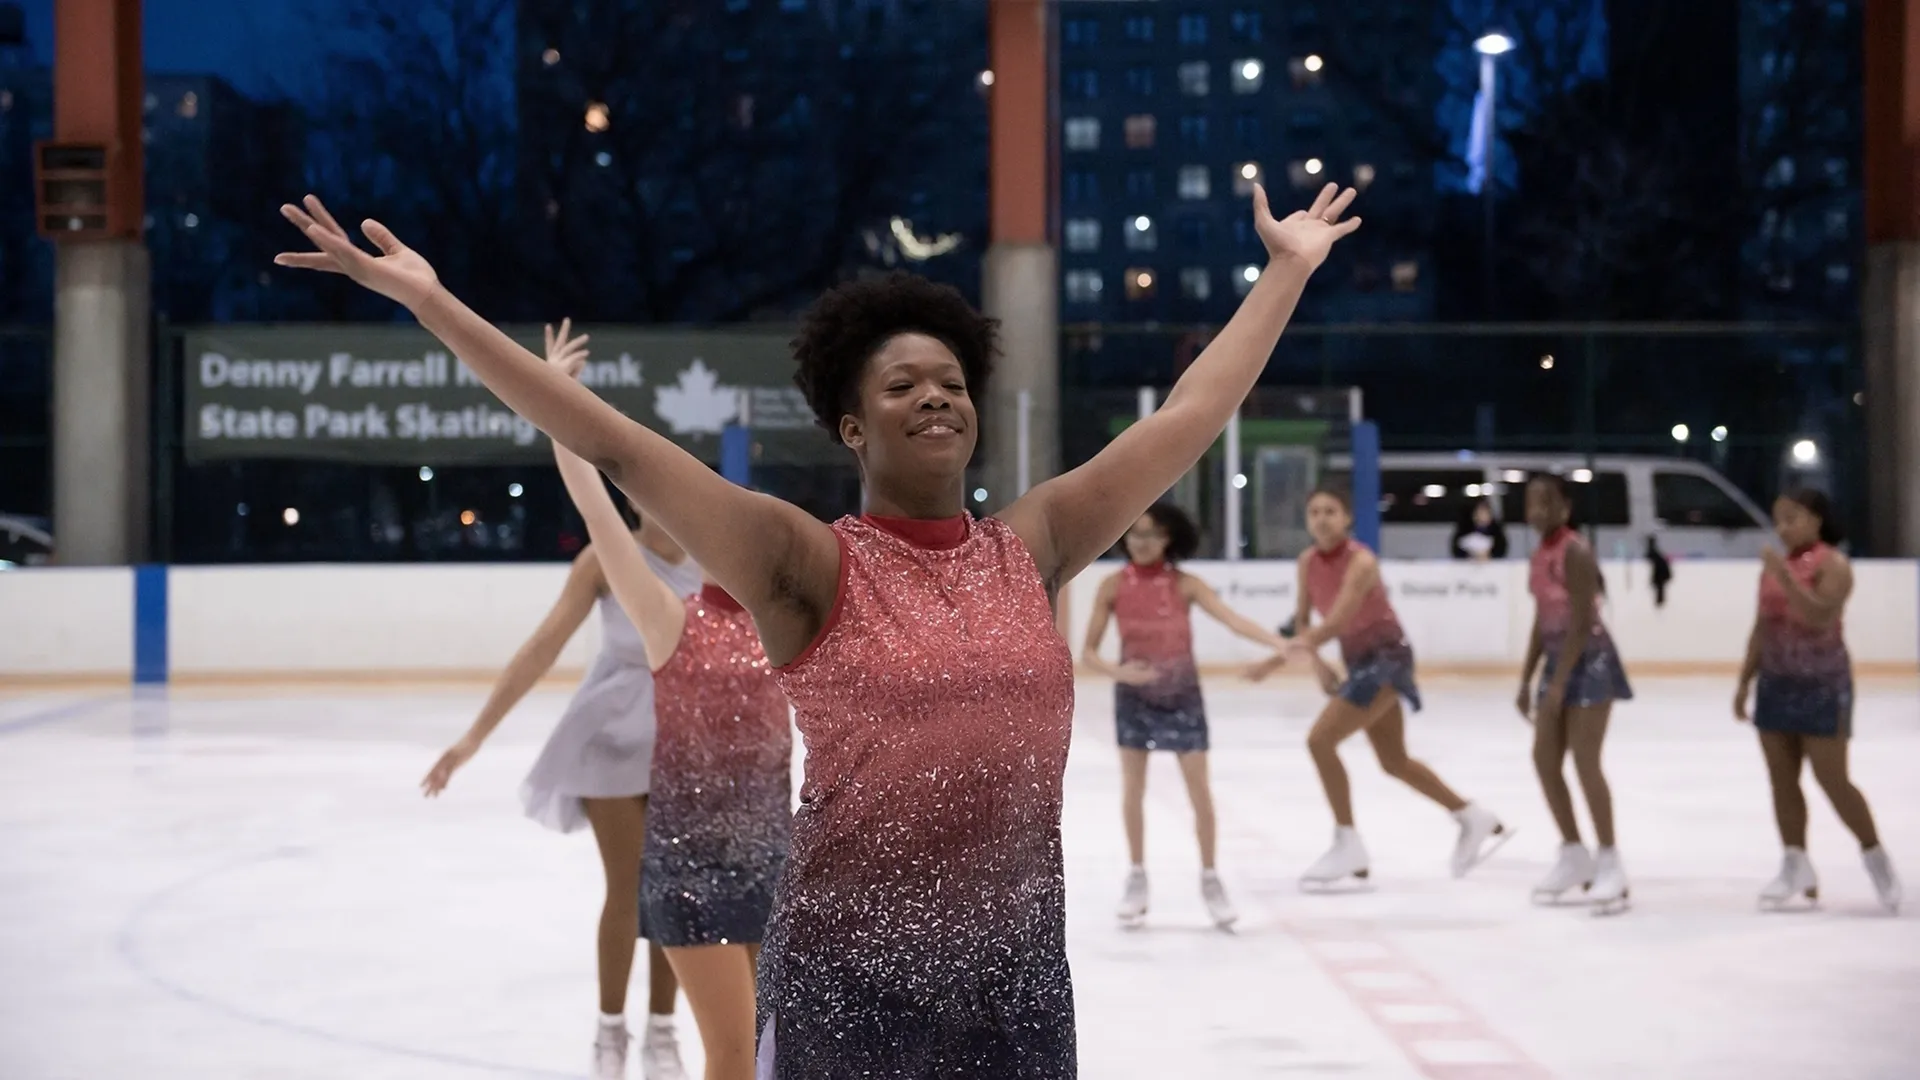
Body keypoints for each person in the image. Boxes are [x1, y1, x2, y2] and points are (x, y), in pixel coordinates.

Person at [274, 180, 1361, 1079]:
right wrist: (431, 302)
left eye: (950, 380)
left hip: (1017, 985)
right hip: (853, 989)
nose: (935, 395)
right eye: (902, 384)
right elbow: (620, 447)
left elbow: (1187, 419)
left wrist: (1285, 273)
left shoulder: (1031, 547)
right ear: (852, 424)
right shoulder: (809, 567)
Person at [420, 323, 689, 1080]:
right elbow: (540, 648)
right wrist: (473, 738)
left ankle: (663, 1032)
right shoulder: (607, 558)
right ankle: (611, 1031)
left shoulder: (716, 560)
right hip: (608, 732)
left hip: (684, 738)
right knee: (630, 886)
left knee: (676, 890)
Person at [545, 325, 793, 1080]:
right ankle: (626, 1029)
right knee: (729, 1052)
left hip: (774, 862)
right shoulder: (668, 618)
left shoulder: (786, 622)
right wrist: (560, 394)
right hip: (692, 869)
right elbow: (595, 504)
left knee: (771, 1048)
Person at [1252, 487, 1508, 888]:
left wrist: (1270, 663)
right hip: (1359, 662)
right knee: (1394, 761)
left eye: (1330, 511)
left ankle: (1347, 841)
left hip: (1388, 658)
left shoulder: (1362, 561)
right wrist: (1318, 667)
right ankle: (1472, 816)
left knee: (1320, 741)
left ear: (1348, 519)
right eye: (1314, 511)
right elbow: (1304, 619)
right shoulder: (1306, 562)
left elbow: (1335, 622)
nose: (1321, 519)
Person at [1080, 502, 1293, 929]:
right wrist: (1119, 672)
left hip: (1182, 696)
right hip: (1134, 699)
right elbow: (1087, 653)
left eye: (1152, 535)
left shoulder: (1186, 585)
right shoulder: (1110, 586)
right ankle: (1137, 877)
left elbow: (1233, 621)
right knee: (1133, 788)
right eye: (1135, 534)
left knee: (1199, 791)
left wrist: (1279, 643)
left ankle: (1211, 877)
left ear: (1168, 539)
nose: (1142, 543)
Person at [1734, 488, 1900, 913]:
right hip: (1776, 681)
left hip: (1823, 684)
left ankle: (1874, 855)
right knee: (1782, 780)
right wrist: (1744, 679)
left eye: (1793, 517)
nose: (1783, 527)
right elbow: (1762, 625)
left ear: (1816, 520)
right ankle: (1795, 862)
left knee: (1833, 779)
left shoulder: (1834, 565)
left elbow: (1818, 616)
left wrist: (1785, 577)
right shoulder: (1774, 568)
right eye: (1779, 519)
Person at [1517, 474, 1634, 915]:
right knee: (1544, 760)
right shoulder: (1538, 554)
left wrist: (1561, 679)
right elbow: (1541, 618)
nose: (1537, 511)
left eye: (1547, 503)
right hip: (1558, 662)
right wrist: (1527, 678)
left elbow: (1583, 619)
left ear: (1566, 508)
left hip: (1591, 663)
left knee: (1586, 761)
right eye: (1531, 503)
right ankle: (1573, 854)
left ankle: (1610, 861)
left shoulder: (1575, 550)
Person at [1449, 495, 1509, 561]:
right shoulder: (1464, 530)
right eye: (1479, 512)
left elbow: (1501, 550)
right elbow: (1456, 549)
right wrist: (1470, 555)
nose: (1482, 516)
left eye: (1485, 513)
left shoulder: (1497, 532)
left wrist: (1489, 555)